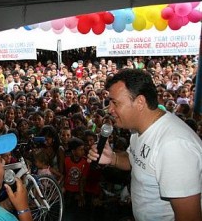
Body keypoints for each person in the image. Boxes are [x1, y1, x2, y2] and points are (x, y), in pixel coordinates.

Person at [87, 69, 202, 221]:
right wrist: (113, 158)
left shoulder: (174, 146)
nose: (110, 109)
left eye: (115, 103)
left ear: (140, 102)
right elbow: (136, 159)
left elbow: (189, 217)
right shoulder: (139, 128)